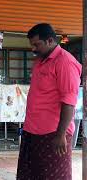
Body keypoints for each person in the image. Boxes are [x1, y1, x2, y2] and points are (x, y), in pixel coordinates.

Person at [17, 23, 82, 180]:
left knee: (53, 176)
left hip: (53, 134)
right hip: (32, 131)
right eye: (32, 45)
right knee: (31, 175)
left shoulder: (65, 62)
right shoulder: (40, 61)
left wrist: (60, 135)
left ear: (50, 41)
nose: (33, 49)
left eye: (37, 44)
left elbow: (69, 102)